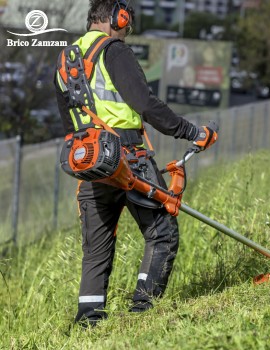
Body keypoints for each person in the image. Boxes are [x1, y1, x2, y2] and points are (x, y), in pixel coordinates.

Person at [54, 0, 217, 327]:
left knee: (96, 250)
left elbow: (68, 118)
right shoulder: (114, 50)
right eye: (128, 24)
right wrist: (191, 131)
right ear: (119, 17)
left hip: (89, 161)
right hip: (127, 157)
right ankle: (143, 312)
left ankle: (89, 323)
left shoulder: (67, 57)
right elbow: (144, 102)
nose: (128, 31)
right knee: (162, 233)